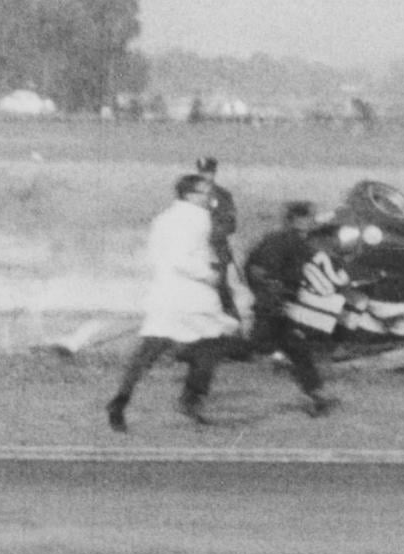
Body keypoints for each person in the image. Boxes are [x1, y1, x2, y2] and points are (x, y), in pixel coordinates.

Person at [106, 173, 239, 432]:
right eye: (204, 193)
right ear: (190, 195)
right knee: (218, 340)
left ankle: (120, 400)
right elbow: (183, 258)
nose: (209, 197)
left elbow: (158, 255)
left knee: (150, 350)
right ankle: (191, 398)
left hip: (165, 294)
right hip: (192, 296)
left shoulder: (163, 218)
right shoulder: (198, 219)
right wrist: (209, 274)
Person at [244, 201, 338, 417]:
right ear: (294, 220)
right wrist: (275, 296)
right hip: (273, 306)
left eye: (309, 218)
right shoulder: (281, 241)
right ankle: (207, 352)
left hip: (280, 305)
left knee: (297, 349)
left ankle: (315, 395)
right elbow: (260, 271)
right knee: (253, 347)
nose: (309, 221)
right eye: (304, 218)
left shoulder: (297, 242)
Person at [195, 156, 239, 318]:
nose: (206, 176)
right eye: (202, 172)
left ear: (214, 172)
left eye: (209, 172)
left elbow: (231, 224)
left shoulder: (223, 195)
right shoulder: (192, 195)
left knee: (221, 287)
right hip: (198, 250)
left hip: (217, 248)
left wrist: (213, 234)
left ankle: (233, 321)